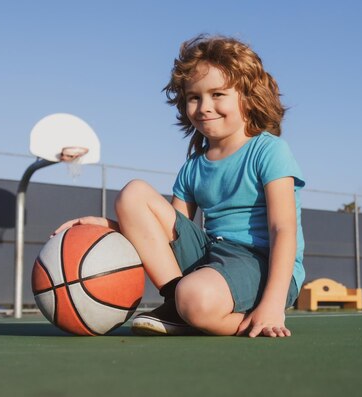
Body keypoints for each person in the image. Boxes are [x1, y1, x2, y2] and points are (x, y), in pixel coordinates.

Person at [53, 35, 305, 338]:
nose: (204, 106)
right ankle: (177, 301)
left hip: (263, 263)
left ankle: (235, 316)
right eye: (194, 97)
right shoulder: (193, 166)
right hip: (213, 255)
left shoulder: (269, 151)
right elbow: (166, 237)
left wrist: (273, 304)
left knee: (195, 298)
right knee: (134, 193)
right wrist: (109, 226)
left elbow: (283, 229)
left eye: (218, 94)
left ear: (248, 97)